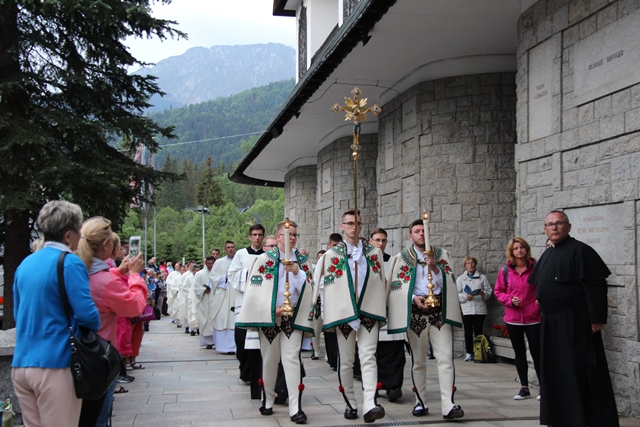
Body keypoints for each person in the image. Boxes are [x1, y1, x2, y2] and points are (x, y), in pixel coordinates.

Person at [12, 200, 101, 427]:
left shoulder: (25, 264)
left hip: (22, 363)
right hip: (56, 362)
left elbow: (18, 313)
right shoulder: (69, 263)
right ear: (68, 235)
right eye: (79, 231)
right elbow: (89, 316)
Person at [528, 210, 619, 426]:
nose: (554, 227)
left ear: (568, 227)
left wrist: (597, 318)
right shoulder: (547, 254)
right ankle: (561, 418)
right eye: (550, 224)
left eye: (559, 223)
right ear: (545, 229)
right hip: (551, 323)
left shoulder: (581, 251)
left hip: (575, 321)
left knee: (581, 371)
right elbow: (541, 283)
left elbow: (596, 286)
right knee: (557, 373)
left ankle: (587, 419)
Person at [237, 220, 315, 424]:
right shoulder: (264, 259)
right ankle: (268, 400)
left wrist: (297, 272)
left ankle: (295, 407)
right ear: (279, 237)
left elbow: (310, 288)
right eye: (289, 234)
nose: (293, 238)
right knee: (270, 360)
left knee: (292, 359)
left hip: (293, 317)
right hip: (271, 317)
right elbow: (255, 289)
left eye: (295, 235)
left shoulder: (302, 261)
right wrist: (273, 308)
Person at [386, 219, 464, 420]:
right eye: (417, 231)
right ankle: (420, 401)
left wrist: (436, 268)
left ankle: (448, 404)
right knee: (418, 360)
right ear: (410, 236)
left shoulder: (442, 255)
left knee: (445, 357)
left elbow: (450, 283)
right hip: (416, 315)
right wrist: (413, 298)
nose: (421, 234)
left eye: (424, 230)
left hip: (439, 314)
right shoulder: (401, 258)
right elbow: (396, 286)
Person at [315, 210, 387, 423]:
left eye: (357, 223)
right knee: (346, 361)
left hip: (367, 311)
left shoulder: (374, 253)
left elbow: (379, 281)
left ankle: (370, 403)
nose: (353, 227)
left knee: (368, 356)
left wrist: (361, 264)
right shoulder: (331, 255)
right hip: (345, 314)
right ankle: (350, 402)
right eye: (349, 223)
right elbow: (326, 284)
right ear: (341, 226)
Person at [76, 218, 148, 427]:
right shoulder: (104, 280)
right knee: (99, 417)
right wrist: (134, 275)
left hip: (80, 353)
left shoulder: (78, 271)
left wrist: (120, 271)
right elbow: (134, 305)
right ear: (106, 245)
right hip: (99, 355)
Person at [494, 238, 540, 400]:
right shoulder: (506, 271)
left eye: (521, 247)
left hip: (533, 317)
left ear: (526, 249)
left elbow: (542, 287)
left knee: (537, 353)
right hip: (513, 318)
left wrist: (539, 301)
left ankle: (543, 388)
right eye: (516, 248)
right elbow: (498, 291)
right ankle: (524, 387)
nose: (519, 251)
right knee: (519, 353)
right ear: (511, 252)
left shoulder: (536, 268)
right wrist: (509, 300)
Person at [228, 225, 266, 397]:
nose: (257, 238)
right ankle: (245, 372)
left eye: (260, 235)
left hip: (262, 303)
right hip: (244, 302)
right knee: (242, 340)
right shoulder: (241, 254)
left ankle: (258, 374)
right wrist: (250, 273)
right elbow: (232, 275)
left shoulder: (267, 255)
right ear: (250, 237)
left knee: (258, 343)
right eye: (254, 235)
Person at [370, 227, 405, 402]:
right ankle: (374, 386)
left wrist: (389, 285)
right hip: (372, 311)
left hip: (391, 311)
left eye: (383, 240)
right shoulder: (365, 261)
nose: (381, 243)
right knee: (373, 352)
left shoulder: (394, 261)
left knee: (394, 351)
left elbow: (401, 283)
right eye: (377, 240)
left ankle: (393, 386)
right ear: (371, 241)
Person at [456, 256, 492, 362]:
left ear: (475, 264)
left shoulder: (482, 278)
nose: (470, 265)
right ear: (465, 265)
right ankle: (469, 353)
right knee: (467, 331)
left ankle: (479, 352)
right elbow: (456, 294)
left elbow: (489, 291)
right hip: (467, 309)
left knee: (478, 331)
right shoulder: (460, 279)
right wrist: (465, 297)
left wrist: (483, 293)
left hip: (480, 309)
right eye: (468, 263)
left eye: (472, 263)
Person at [210, 241, 237, 353]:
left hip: (235, 295)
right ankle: (222, 347)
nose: (230, 249)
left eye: (232, 247)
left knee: (233, 319)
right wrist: (225, 277)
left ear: (235, 248)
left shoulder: (239, 261)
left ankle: (235, 348)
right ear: (225, 249)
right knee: (221, 319)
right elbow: (213, 277)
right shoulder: (218, 262)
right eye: (228, 247)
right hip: (222, 296)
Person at [193, 256, 216, 348]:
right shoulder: (200, 274)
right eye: (208, 263)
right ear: (205, 264)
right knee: (205, 320)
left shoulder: (218, 273)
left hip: (215, 300)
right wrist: (203, 290)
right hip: (205, 300)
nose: (210, 265)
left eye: (212, 263)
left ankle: (217, 340)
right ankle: (208, 342)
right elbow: (196, 287)